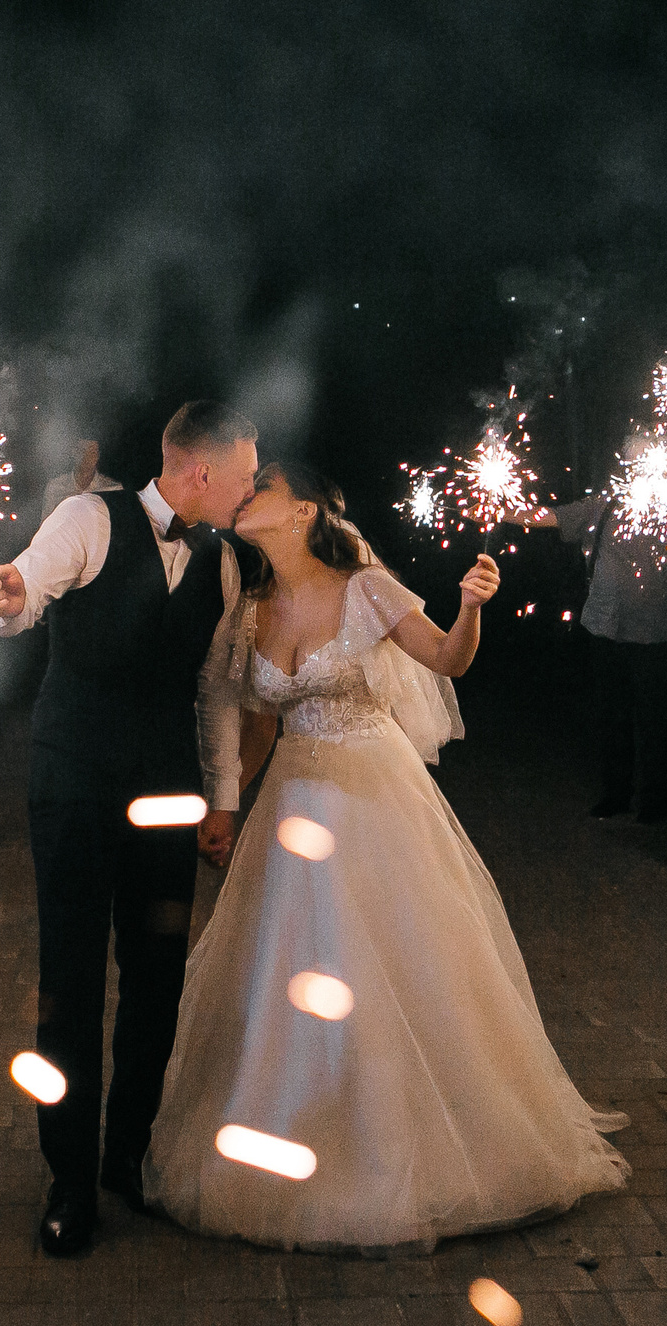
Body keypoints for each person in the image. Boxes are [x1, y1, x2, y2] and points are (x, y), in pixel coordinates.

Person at [143, 463, 628, 1250]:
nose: (242, 500)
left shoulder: (366, 587)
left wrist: (471, 607)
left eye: (257, 490)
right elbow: (262, 719)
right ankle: (310, 1127)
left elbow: (446, 661)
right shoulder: (255, 606)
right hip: (295, 807)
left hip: (374, 800)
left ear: (302, 510)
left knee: (391, 963)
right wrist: (226, 807)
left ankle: (411, 1150)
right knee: (292, 968)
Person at [0, 401, 257, 1258]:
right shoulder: (86, 518)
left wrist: (225, 797)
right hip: (74, 781)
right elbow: (21, 594)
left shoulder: (224, 563)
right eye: (245, 474)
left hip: (168, 790)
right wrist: (8, 601)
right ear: (200, 470)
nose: (251, 490)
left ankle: (125, 1155)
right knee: (70, 976)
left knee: (157, 976)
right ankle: (68, 1179)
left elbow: (214, 692)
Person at [515, 465, 667, 823]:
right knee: (611, 716)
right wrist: (500, 508)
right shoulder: (602, 508)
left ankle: (654, 799)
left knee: (654, 720)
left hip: (654, 635)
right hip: (603, 628)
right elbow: (549, 517)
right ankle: (616, 794)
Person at [41, 438, 123, 521]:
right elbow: (45, 524)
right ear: (73, 452)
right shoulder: (56, 487)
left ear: (98, 455)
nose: (87, 457)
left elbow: (118, 525)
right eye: (83, 450)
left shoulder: (112, 489)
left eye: (92, 452)